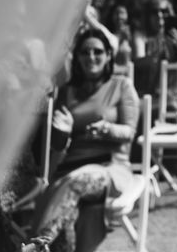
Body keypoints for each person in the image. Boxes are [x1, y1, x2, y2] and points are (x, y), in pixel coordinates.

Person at [23, 29, 139, 252]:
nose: (91, 57)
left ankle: (37, 245)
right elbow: (57, 146)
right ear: (77, 57)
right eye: (85, 52)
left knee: (77, 182)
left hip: (110, 168)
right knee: (66, 221)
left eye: (97, 51)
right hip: (68, 169)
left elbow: (129, 132)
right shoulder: (66, 92)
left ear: (108, 56)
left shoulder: (121, 85)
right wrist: (62, 132)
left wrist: (106, 129)